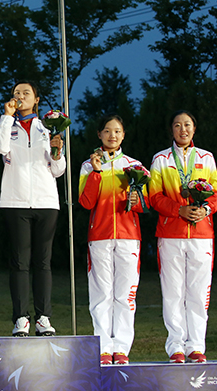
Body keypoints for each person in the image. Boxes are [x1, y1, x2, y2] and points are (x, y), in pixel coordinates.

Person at [0, 81, 65, 337]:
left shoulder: (48, 129)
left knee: (43, 262)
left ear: (36, 99)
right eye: (16, 93)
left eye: (26, 93)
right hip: (15, 201)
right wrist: (6, 117)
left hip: (46, 202)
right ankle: (21, 318)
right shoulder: (6, 126)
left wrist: (57, 152)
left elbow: (58, 170)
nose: (20, 96)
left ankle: (43, 318)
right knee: (20, 262)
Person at [149, 110, 217, 364]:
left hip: (202, 233)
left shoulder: (207, 158)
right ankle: (176, 346)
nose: (183, 129)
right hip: (171, 233)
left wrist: (205, 209)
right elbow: (154, 196)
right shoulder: (160, 159)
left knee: (198, 293)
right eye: (178, 125)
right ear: (172, 129)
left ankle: (196, 346)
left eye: (187, 125)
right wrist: (178, 210)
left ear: (194, 128)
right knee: (173, 292)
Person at [78, 114, 146, 365]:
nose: (112, 135)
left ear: (123, 135)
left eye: (117, 131)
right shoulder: (89, 165)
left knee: (125, 295)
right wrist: (96, 173)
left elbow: (144, 204)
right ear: (99, 134)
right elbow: (86, 203)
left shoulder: (135, 167)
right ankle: (104, 347)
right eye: (107, 131)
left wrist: (135, 201)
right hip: (100, 236)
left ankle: (122, 349)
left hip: (129, 237)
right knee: (102, 294)